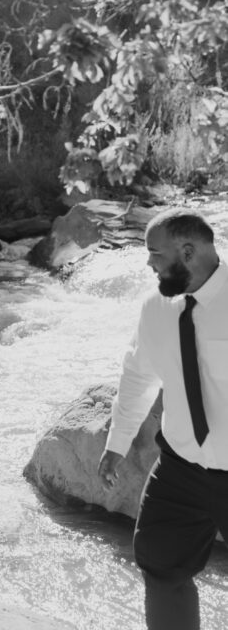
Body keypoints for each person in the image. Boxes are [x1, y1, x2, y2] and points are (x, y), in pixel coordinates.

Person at [98, 208, 228, 630]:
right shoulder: (155, 307)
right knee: (161, 568)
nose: (148, 262)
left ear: (188, 252)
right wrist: (117, 444)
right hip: (180, 469)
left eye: (155, 253)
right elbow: (138, 375)